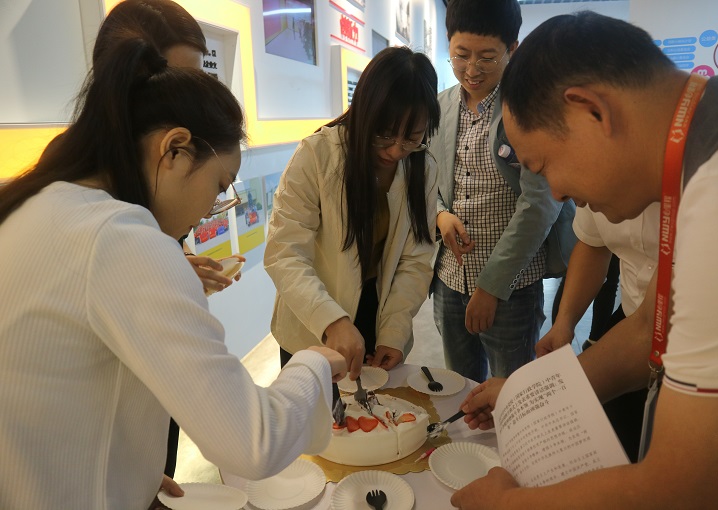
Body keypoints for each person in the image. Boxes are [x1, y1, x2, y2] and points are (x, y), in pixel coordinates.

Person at [0, 33, 346, 510]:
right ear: (176, 149)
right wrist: (315, 364)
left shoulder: (39, 202)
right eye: (219, 186)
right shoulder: (123, 240)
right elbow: (253, 440)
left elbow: (45, 390)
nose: (210, 211)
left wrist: (125, 463)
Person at [451, 11, 718, 510]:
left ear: (591, 111)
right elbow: (647, 331)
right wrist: (529, 394)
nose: (556, 192)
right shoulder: (710, 143)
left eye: (543, 165)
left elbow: (695, 486)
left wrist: (506, 504)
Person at [87, 0, 243, 485]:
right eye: (171, 80)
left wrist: (178, 261)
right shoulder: (108, 228)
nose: (189, 99)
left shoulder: (140, 197)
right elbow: (246, 436)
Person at [264, 46, 439, 380]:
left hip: (378, 312)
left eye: (411, 138)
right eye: (384, 134)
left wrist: (395, 331)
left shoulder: (422, 167)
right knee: (316, 409)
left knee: (374, 410)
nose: (395, 150)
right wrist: (331, 320)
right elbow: (284, 252)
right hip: (313, 316)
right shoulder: (318, 155)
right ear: (363, 112)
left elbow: (415, 260)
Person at [430, 0, 565, 382]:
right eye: (461, 55)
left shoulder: (527, 109)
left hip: (511, 287)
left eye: (487, 57)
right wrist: (440, 214)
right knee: (458, 387)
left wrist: (491, 286)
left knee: (512, 391)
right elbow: (426, 178)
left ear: (512, 49)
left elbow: (540, 203)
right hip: (449, 278)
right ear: (448, 42)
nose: (472, 69)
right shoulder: (440, 106)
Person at [537, 205, 659, 462]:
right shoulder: (592, 194)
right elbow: (593, 243)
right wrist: (564, 323)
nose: (557, 197)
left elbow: (645, 334)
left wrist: (538, 396)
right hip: (631, 318)